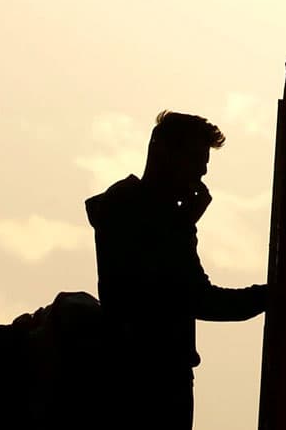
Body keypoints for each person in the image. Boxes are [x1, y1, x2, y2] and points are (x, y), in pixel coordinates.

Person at [86, 112, 266, 428]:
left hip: (155, 377)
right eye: (195, 159)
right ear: (162, 152)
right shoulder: (133, 209)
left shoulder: (159, 215)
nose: (201, 171)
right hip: (144, 381)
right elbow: (193, 297)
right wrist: (271, 295)